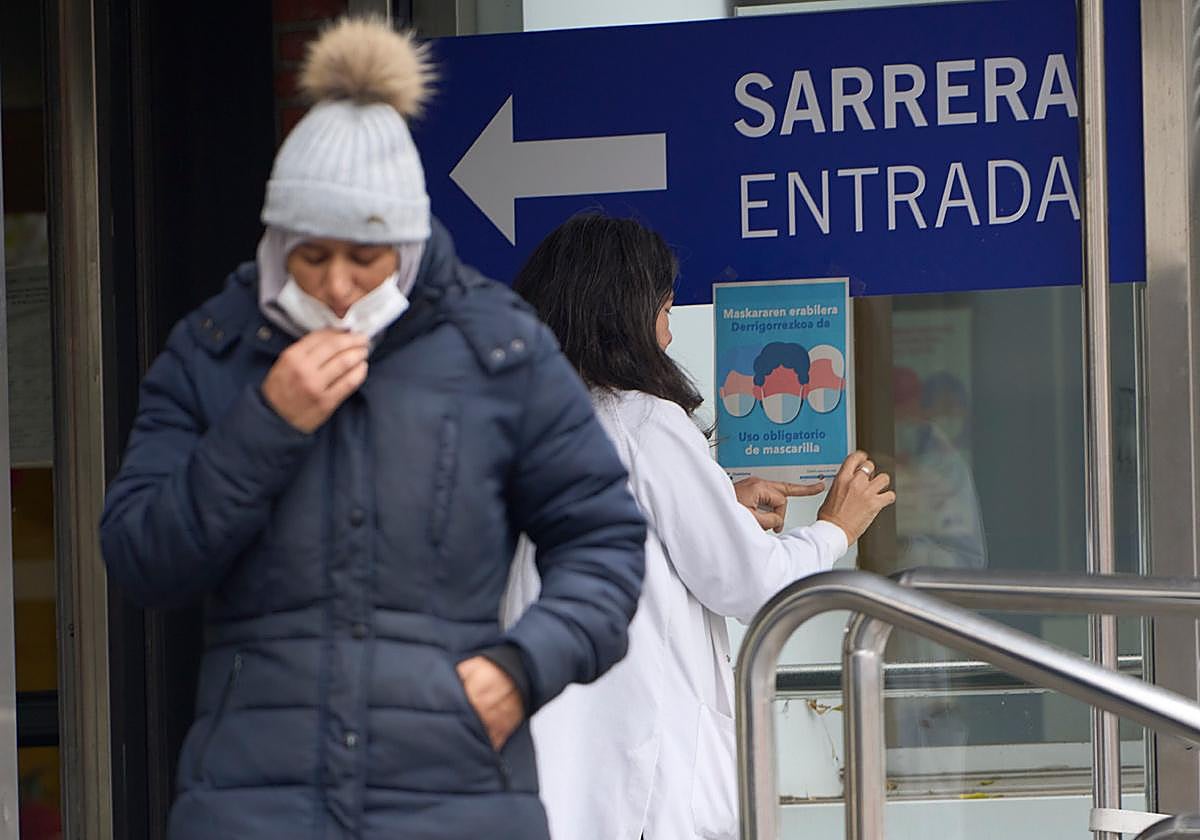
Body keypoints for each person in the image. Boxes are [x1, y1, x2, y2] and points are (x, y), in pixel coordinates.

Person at [99, 20, 646, 840]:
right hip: (253, 799)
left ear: (411, 242)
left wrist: (520, 669)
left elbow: (605, 541)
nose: (339, 285)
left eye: (367, 255)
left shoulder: (501, 347)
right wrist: (265, 424)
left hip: (457, 794)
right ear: (276, 239)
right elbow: (141, 557)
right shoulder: (214, 350)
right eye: (310, 256)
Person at [505, 213, 896, 840]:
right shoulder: (643, 422)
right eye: (663, 310)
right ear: (627, 315)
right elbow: (750, 584)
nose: (666, 334)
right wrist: (835, 528)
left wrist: (720, 502)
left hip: (552, 776)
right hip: (644, 792)